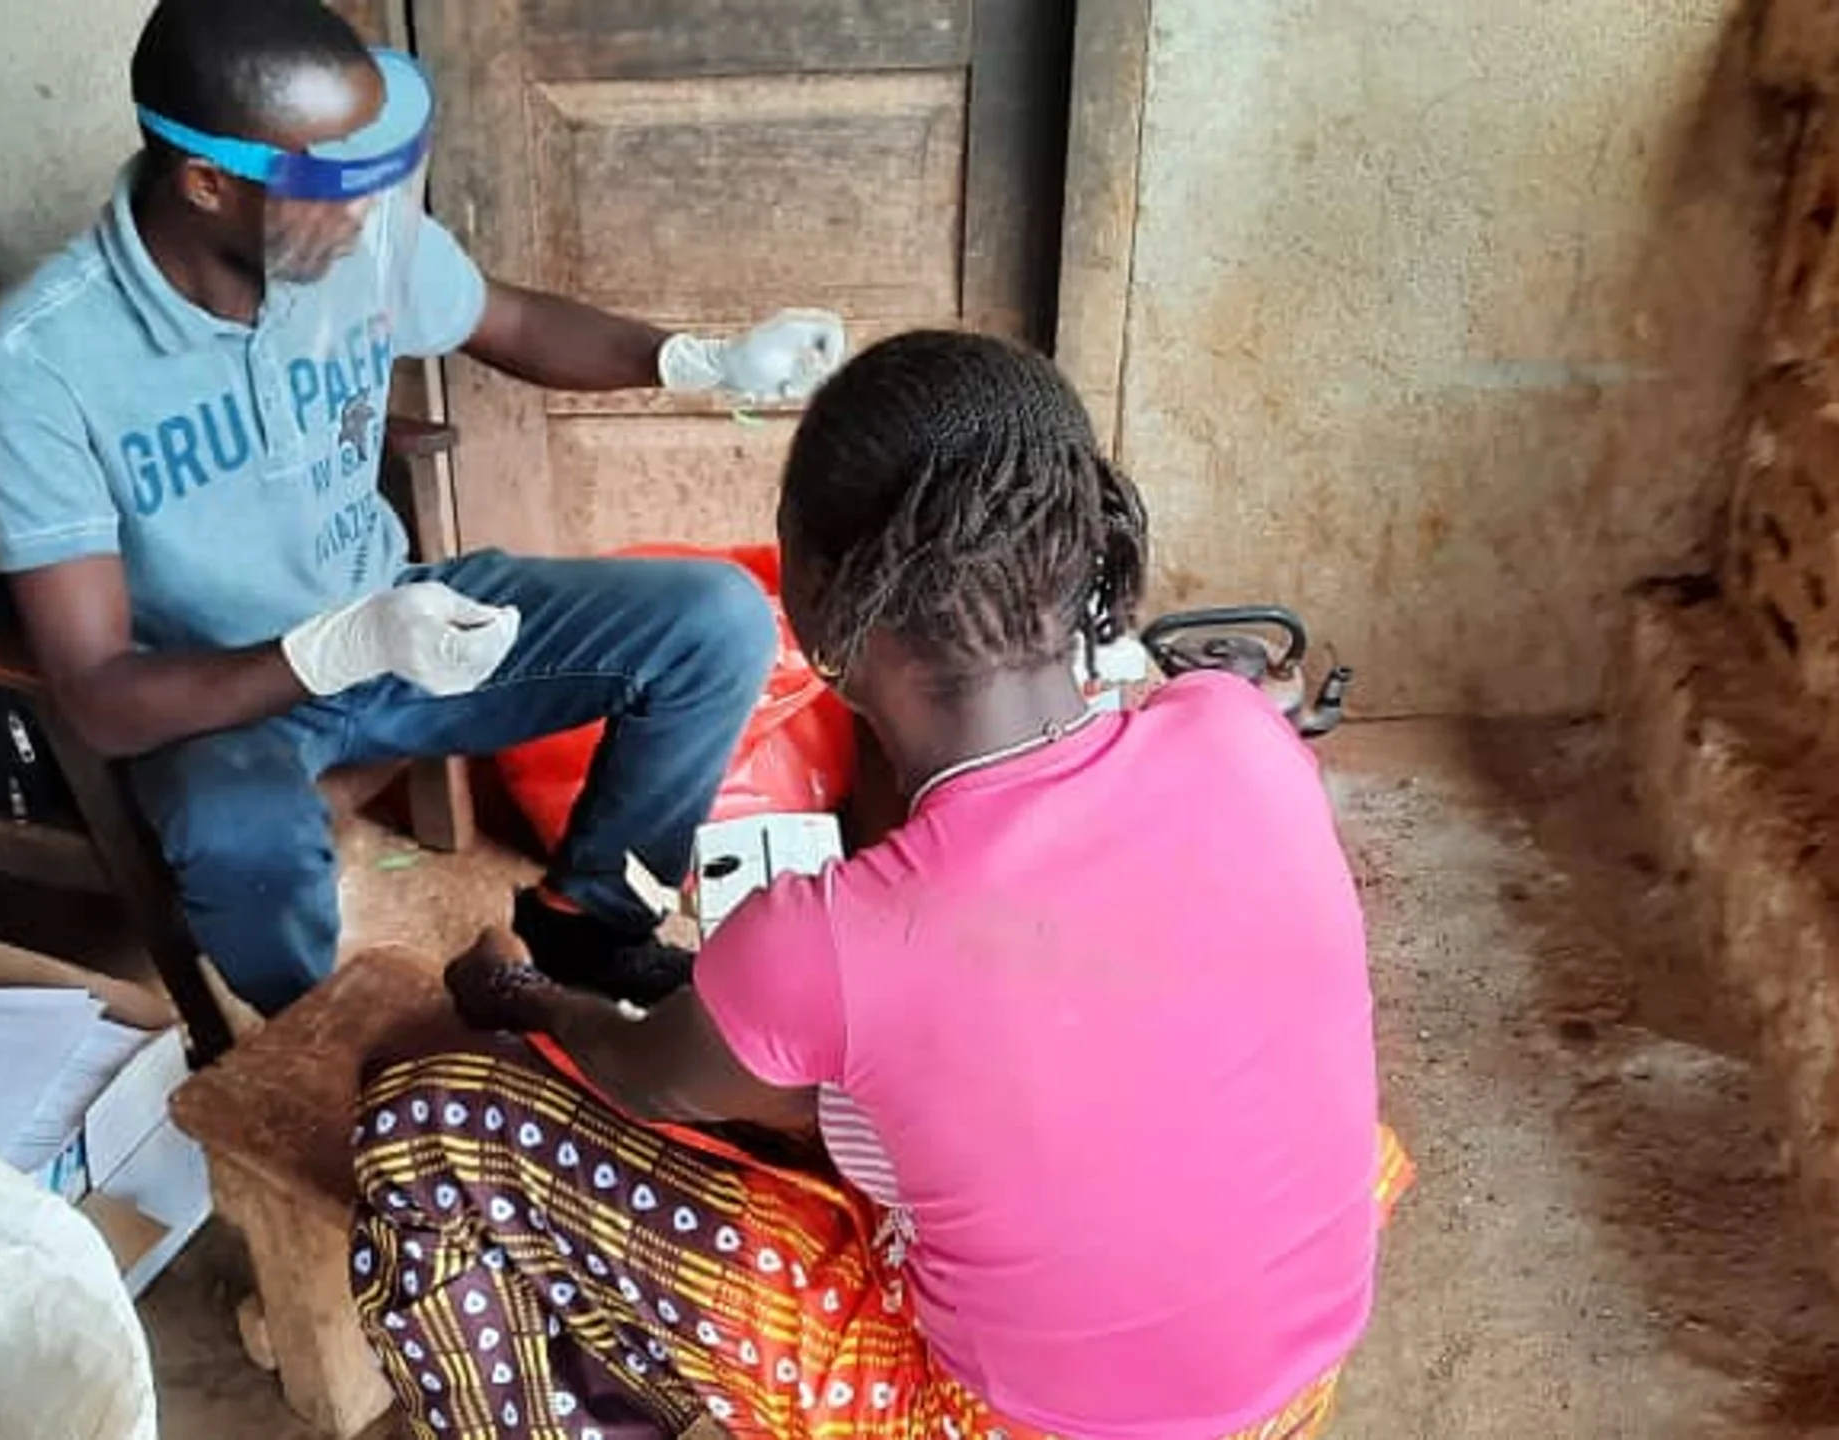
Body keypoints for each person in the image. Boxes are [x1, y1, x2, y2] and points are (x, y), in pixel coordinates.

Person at [349, 331, 1411, 1440]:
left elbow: (644, 1075)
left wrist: (519, 1000)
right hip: (1290, 1388)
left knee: (428, 1125)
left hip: (1004, 1425)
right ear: (1083, 543)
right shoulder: (1233, 730)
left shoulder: (828, 942)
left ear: (804, 601)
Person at [0, 0, 846, 1018]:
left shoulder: (343, 240)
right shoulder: (37, 365)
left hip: (410, 629)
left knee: (716, 620)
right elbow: (100, 697)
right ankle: (337, 1045)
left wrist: (698, 361)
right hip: (230, 701)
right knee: (234, 832)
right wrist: (335, 648)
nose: (370, 208)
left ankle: (590, 925)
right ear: (207, 183)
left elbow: (506, 318)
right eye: (337, 185)